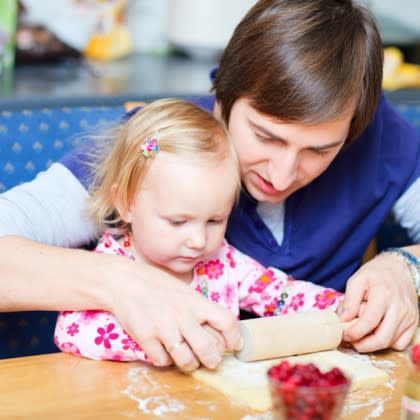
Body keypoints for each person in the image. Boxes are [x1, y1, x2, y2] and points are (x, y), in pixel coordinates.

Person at [0, 0, 419, 369]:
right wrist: (118, 282)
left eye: (320, 151)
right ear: (222, 94)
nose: (282, 173)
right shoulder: (160, 151)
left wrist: (403, 265)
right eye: (265, 136)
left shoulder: (376, 133)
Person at [54, 98, 341, 366]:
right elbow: (71, 332)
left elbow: (281, 294)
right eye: (178, 222)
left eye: (215, 220)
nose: (199, 241)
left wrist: (340, 308)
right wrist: (173, 339)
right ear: (126, 203)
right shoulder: (111, 265)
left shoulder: (222, 262)